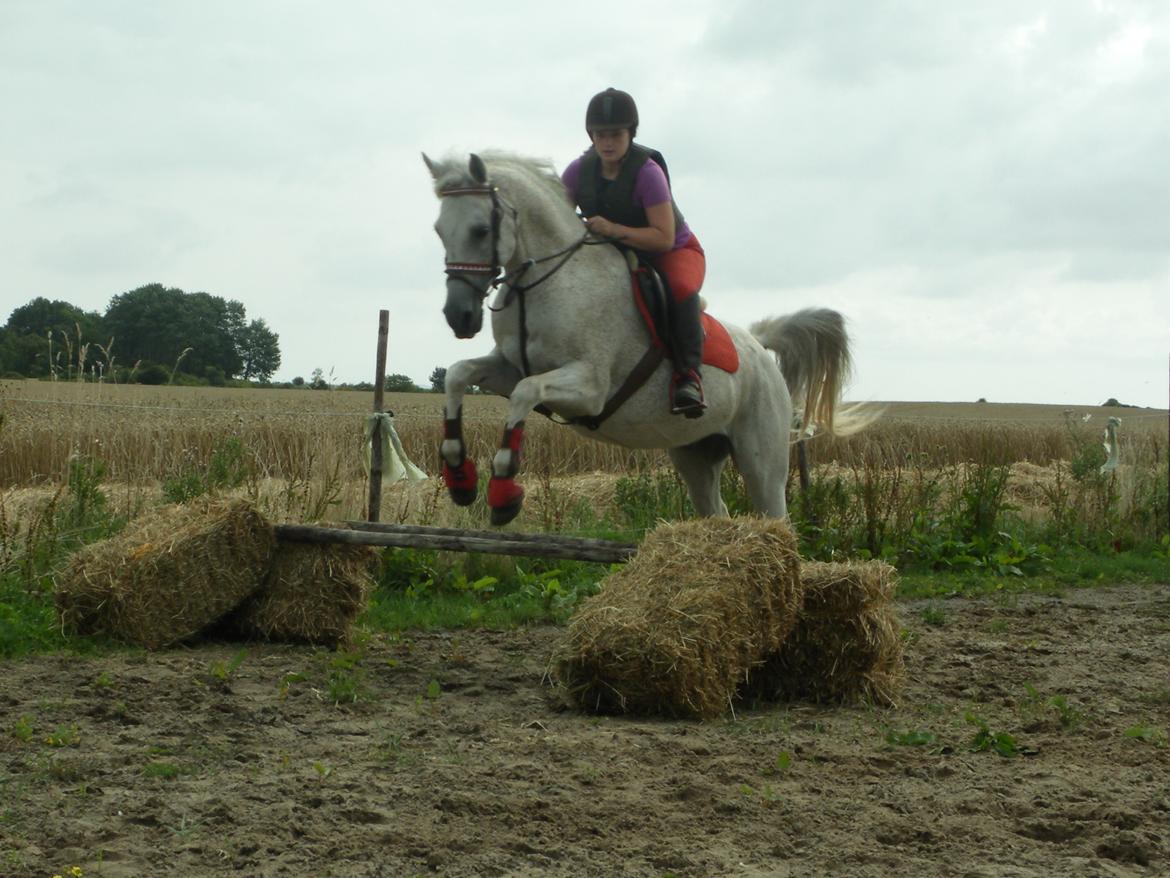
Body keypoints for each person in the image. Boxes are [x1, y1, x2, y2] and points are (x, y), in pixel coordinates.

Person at [561, 87, 707, 417]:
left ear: (630, 134)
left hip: (673, 251)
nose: (607, 142)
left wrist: (612, 229)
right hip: (615, 253)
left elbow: (663, 238)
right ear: (591, 136)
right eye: (600, 135)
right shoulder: (576, 172)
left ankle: (688, 378)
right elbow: (559, 223)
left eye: (616, 134)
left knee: (680, 288)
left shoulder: (647, 173)